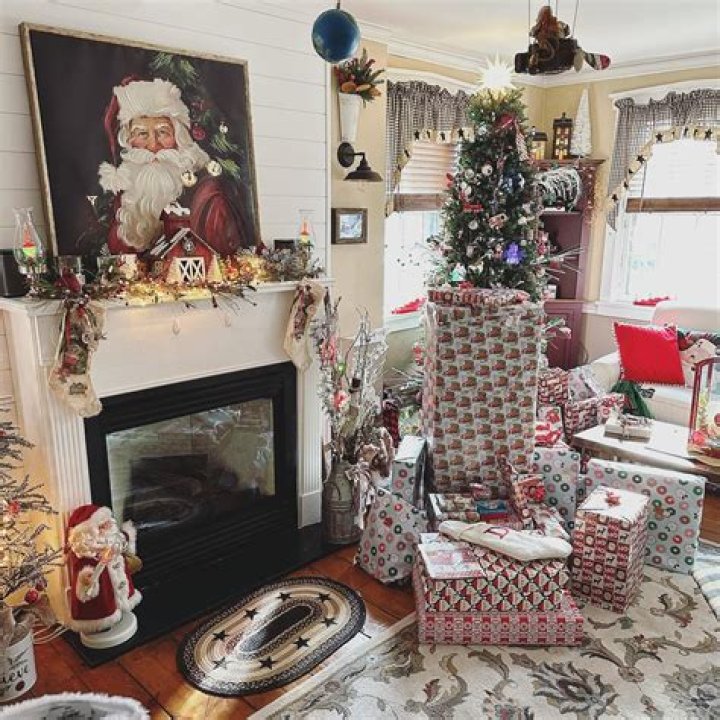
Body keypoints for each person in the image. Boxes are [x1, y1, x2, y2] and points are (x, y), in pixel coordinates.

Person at [98, 77, 254, 256]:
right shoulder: (128, 197)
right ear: (129, 141)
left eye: (162, 132)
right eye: (142, 133)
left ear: (179, 139)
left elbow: (222, 265)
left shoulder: (209, 198)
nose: (153, 145)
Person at [66, 504, 142, 633]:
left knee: (117, 596)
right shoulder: (86, 552)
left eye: (108, 521)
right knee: (102, 607)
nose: (108, 525)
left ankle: (120, 607)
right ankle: (103, 624)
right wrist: (86, 578)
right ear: (87, 532)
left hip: (118, 581)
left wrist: (128, 533)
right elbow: (82, 572)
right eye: (102, 525)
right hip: (101, 587)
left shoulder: (111, 539)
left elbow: (122, 540)